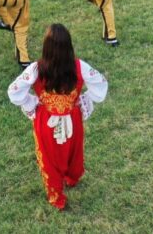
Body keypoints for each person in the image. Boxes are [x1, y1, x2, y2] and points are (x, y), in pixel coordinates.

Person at [7, 23, 108, 210]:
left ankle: (56, 195)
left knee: (49, 159)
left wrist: (34, 104)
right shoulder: (79, 66)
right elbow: (100, 84)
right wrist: (82, 101)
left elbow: (14, 92)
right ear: (69, 46)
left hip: (46, 121)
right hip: (73, 118)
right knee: (72, 151)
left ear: (46, 47)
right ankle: (71, 177)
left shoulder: (36, 69)